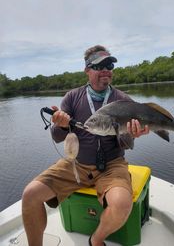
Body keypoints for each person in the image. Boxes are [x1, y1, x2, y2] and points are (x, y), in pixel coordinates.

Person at [22, 45, 150, 246]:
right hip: (76, 164)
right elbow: (56, 137)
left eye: (109, 65)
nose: (106, 70)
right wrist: (62, 124)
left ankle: (96, 240)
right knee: (30, 194)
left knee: (122, 203)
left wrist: (133, 133)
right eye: (99, 66)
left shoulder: (123, 100)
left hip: (112, 166)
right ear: (87, 70)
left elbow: (126, 144)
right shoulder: (73, 97)